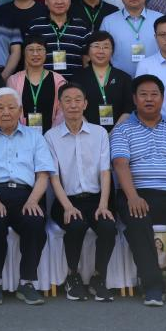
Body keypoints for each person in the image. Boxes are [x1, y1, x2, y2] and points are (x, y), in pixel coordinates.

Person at [110, 75, 166, 307]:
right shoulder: (123, 130)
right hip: (137, 192)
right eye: (143, 94)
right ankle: (152, 286)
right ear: (134, 99)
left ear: (162, 98)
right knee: (138, 221)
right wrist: (132, 197)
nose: (149, 99)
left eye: (154, 94)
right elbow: (120, 164)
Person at [0, 87, 55, 305]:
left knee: (35, 221)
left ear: (20, 110)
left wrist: (33, 200)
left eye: (11, 107)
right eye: (0, 108)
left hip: (26, 194)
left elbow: (43, 175)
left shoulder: (35, 137)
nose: (6, 112)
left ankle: (27, 282)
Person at [45, 82, 116, 301]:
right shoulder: (51, 136)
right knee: (75, 224)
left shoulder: (100, 133)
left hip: (96, 199)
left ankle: (98, 277)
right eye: (67, 100)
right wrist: (67, 207)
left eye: (78, 100)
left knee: (108, 227)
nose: (73, 105)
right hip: (66, 200)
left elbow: (105, 172)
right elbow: (54, 177)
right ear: (60, 105)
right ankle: (72, 275)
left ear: (85, 104)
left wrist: (103, 205)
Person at [99, 0, 164, 76]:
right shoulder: (108, 21)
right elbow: (102, 52)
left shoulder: (159, 19)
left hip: (155, 78)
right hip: (119, 80)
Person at [70, 33, 134, 131]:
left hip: (120, 134)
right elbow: (74, 108)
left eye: (106, 47)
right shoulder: (77, 78)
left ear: (112, 51)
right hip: (86, 133)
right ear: (88, 50)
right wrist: (93, 133)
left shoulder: (124, 78)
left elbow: (128, 109)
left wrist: (115, 133)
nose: (101, 51)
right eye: (96, 46)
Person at [26, 0, 89, 75]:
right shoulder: (34, 26)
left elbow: (86, 60)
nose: (59, 2)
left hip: (75, 83)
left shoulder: (82, 27)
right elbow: (27, 60)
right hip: (43, 82)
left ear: (70, 0)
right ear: (46, 0)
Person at [6, 33, 65, 131]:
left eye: (39, 49)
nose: (35, 54)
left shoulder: (58, 80)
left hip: (52, 136)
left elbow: (62, 112)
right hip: (22, 136)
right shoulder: (14, 80)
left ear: (46, 52)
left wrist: (52, 134)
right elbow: (10, 110)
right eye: (30, 50)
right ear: (24, 53)